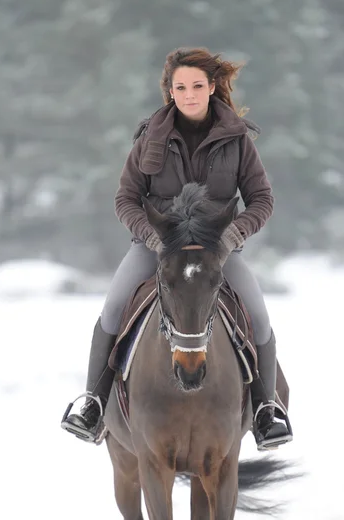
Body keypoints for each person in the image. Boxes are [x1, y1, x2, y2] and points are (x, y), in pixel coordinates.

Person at [61, 47, 292, 450]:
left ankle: (264, 411)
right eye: (180, 86)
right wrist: (150, 237)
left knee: (259, 315)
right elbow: (126, 199)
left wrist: (233, 237)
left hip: (217, 250)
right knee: (114, 309)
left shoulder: (238, 140)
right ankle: (93, 403)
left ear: (212, 87)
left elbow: (262, 200)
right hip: (155, 247)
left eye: (197, 86)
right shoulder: (149, 135)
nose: (189, 94)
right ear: (170, 90)